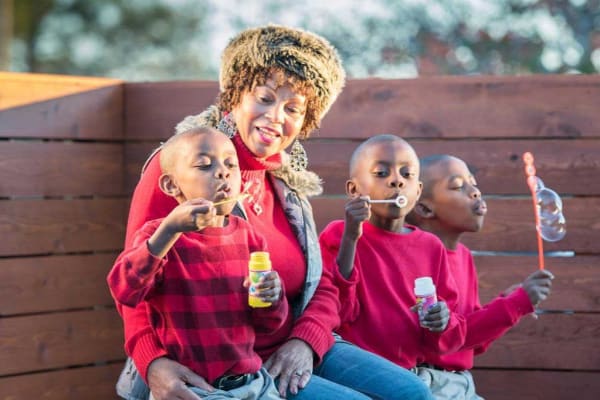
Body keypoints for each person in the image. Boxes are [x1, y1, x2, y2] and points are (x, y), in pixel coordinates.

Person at [116, 25, 432, 400]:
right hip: (221, 363)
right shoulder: (185, 168)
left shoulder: (287, 183)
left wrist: (306, 341)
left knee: (413, 394)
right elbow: (133, 281)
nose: (276, 117)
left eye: (293, 108)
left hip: (293, 344)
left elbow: (323, 284)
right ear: (235, 95)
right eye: (265, 98)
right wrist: (153, 363)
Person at [108, 127, 287, 400]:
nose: (223, 172)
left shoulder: (250, 237)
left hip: (253, 384)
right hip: (195, 390)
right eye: (204, 165)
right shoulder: (159, 236)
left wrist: (273, 297)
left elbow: (267, 324)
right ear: (171, 185)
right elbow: (125, 289)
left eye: (231, 164)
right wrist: (168, 231)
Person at [406, 154, 555, 400]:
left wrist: (506, 303)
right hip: (429, 382)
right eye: (457, 186)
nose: (475, 191)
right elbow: (447, 340)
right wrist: (514, 305)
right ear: (424, 207)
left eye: (473, 182)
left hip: (462, 383)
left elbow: (472, 342)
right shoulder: (419, 257)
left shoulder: (463, 256)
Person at [319, 134, 467, 370]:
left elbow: (449, 334)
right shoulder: (339, 234)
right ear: (354, 189)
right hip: (350, 367)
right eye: (381, 173)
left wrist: (442, 320)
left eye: (407, 175)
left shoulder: (430, 247)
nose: (397, 181)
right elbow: (336, 310)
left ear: (418, 191)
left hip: (407, 371)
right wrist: (350, 239)